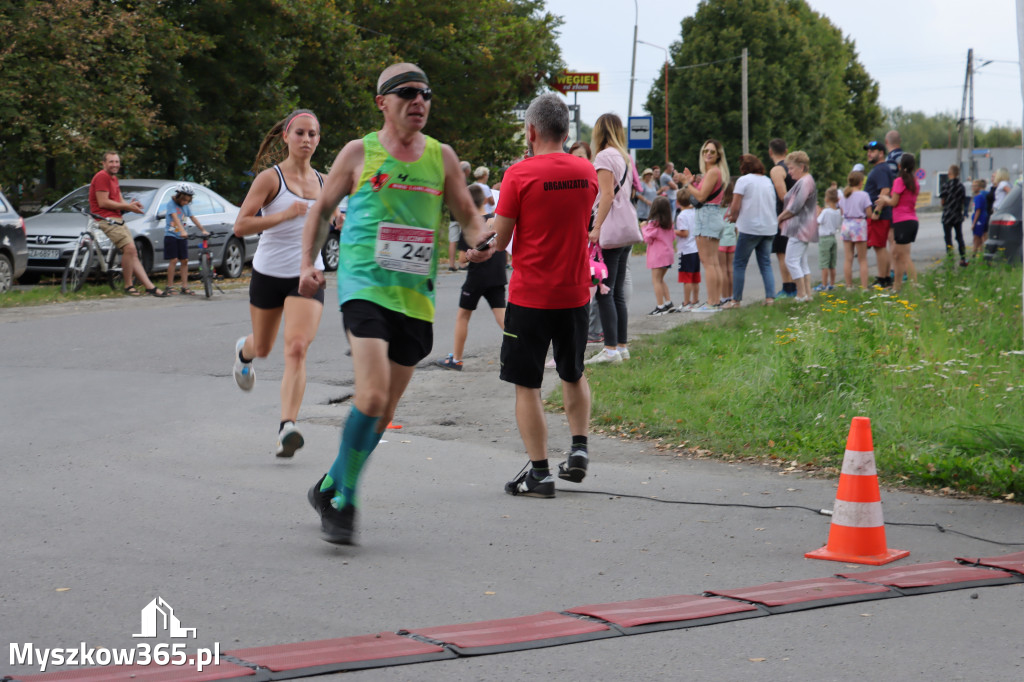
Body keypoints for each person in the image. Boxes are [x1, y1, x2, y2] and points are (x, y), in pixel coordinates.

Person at [298, 63, 488, 544]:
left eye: (426, 94)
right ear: (383, 102)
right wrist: (308, 262)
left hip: (414, 298)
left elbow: (468, 215)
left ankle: (327, 484)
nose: (419, 101)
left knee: (382, 411)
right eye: (407, 93)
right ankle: (345, 502)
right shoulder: (360, 152)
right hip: (364, 286)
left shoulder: (442, 157)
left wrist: (484, 239)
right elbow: (321, 209)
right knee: (373, 395)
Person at [487, 93, 597, 498]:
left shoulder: (518, 175)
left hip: (531, 296)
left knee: (527, 385)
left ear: (531, 131)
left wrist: (484, 240)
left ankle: (539, 472)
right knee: (573, 371)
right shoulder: (586, 172)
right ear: (567, 133)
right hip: (575, 294)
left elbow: (500, 242)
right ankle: (580, 448)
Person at [231, 109, 327, 460]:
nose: (306, 139)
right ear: (285, 136)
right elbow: (240, 227)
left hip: (308, 274)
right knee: (267, 346)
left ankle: (287, 427)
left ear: (318, 140)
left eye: (312, 134)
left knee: (298, 347)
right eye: (299, 133)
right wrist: (285, 214)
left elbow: (330, 223)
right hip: (269, 273)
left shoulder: (325, 181)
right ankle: (246, 351)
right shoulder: (270, 179)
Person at [586, 113, 640, 365]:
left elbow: (606, 194)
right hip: (625, 229)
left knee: (604, 291)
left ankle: (609, 350)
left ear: (600, 131)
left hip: (610, 229)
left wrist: (596, 227)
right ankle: (621, 346)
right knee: (616, 292)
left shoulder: (604, 156)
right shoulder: (624, 157)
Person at [436, 184, 506, 370]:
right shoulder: (495, 221)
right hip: (498, 275)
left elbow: (462, 259)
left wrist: (467, 256)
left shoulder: (470, 226)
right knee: (502, 316)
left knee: (463, 316)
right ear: (484, 200)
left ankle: (456, 359)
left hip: (477, 278)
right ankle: (523, 349)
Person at [88, 151, 167, 297]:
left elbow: (119, 201)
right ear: (104, 163)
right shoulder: (102, 176)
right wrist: (126, 207)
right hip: (105, 219)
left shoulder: (113, 178)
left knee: (132, 252)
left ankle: (149, 286)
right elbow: (103, 202)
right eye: (111, 162)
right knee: (130, 248)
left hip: (116, 219)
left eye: (117, 162)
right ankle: (128, 285)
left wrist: (131, 206)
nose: (115, 165)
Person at [676, 138, 730, 312]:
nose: (708, 154)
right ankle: (715, 301)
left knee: (709, 263)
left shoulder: (713, 172)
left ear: (718, 155)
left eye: (712, 151)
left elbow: (699, 197)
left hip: (706, 215)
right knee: (713, 262)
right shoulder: (716, 172)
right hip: (712, 215)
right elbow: (702, 193)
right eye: (706, 151)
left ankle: (712, 302)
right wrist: (691, 181)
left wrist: (687, 183)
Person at [724, 154, 776, 308]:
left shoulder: (743, 181)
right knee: (765, 263)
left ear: (744, 168)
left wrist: (733, 217)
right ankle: (770, 298)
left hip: (750, 228)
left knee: (739, 263)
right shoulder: (767, 181)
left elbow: (736, 204)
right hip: (769, 227)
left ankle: (736, 300)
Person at [874, 152, 919, 292]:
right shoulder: (914, 182)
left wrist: (884, 199)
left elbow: (894, 201)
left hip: (902, 221)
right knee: (896, 255)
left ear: (900, 165)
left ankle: (914, 288)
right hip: (911, 220)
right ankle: (896, 287)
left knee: (904, 256)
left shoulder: (899, 181)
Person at [777, 151, 817, 302]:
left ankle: (800, 294)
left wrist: (779, 218)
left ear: (802, 167)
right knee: (801, 261)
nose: (789, 172)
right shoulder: (806, 181)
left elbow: (796, 206)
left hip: (800, 227)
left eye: (791, 168)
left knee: (791, 260)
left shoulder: (805, 182)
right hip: (803, 227)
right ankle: (807, 294)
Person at [163, 183, 209, 295]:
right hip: (171, 235)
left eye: (188, 200)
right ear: (179, 196)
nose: (185, 202)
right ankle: (169, 286)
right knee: (173, 260)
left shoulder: (186, 206)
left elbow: (192, 218)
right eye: (184, 200)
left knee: (185, 261)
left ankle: (184, 286)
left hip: (182, 237)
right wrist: (182, 230)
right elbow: (175, 218)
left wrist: (202, 229)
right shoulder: (171, 204)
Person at [863, 140, 895, 287]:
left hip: (880, 215)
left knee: (879, 247)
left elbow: (885, 191)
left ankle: (883, 279)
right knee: (879, 246)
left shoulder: (881, 169)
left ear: (881, 154)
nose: (869, 153)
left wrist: (876, 211)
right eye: (868, 151)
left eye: (873, 151)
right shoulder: (879, 168)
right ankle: (886, 277)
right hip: (880, 214)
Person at [768, 139, 796, 298]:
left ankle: (788, 288)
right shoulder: (793, 168)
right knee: (792, 253)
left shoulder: (777, 170)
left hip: (784, 216)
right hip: (796, 215)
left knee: (783, 253)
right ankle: (795, 286)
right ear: (786, 151)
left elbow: (783, 196)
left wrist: (784, 216)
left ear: (770, 152)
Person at [642, 196, 676, 314]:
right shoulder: (669, 224)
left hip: (658, 256)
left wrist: (643, 227)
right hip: (668, 254)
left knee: (656, 280)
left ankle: (660, 306)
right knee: (661, 279)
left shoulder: (654, 224)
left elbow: (647, 239)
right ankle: (668, 303)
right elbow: (673, 237)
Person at [839, 170, 872, 288]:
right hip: (859, 225)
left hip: (846, 224)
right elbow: (869, 213)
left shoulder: (844, 195)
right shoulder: (864, 195)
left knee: (848, 258)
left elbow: (842, 212)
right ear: (860, 182)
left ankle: (849, 286)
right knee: (862, 259)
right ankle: (864, 287)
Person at [674, 190, 700, 310]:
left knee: (687, 278)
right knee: (695, 276)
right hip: (695, 248)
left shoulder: (681, 216)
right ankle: (695, 300)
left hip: (686, 249)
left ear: (678, 202)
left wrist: (673, 231)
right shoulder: (694, 212)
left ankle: (686, 302)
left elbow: (684, 233)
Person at [939, 164, 968, 266]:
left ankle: (950, 258)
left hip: (947, 215)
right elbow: (964, 200)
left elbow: (942, 201)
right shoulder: (961, 186)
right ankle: (963, 258)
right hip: (957, 215)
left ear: (949, 173)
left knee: (948, 238)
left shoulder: (946, 185)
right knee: (959, 237)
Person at [448, 159, 473, 271]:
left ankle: (451, 264)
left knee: (452, 241)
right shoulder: (466, 184)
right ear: (467, 171)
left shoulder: (451, 182)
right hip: (463, 216)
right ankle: (463, 263)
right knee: (464, 240)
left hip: (452, 215)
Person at [815, 187, 841, 292]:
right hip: (833, 238)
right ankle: (832, 284)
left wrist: (818, 212)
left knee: (824, 263)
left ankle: (824, 284)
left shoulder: (825, 212)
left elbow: (817, 221)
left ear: (826, 199)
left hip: (824, 238)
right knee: (832, 264)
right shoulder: (838, 212)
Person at [718, 180, 737, 303]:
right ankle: (731, 295)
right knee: (731, 269)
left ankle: (724, 296)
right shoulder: (735, 206)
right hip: (732, 240)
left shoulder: (720, 206)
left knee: (723, 270)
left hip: (721, 241)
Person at [971, 179, 989, 258]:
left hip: (979, 220)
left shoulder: (978, 197)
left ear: (979, 187)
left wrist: (974, 223)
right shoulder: (977, 197)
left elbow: (978, 210)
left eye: (975, 186)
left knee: (976, 238)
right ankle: (982, 255)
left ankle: (973, 256)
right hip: (981, 218)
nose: (973, 188)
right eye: (973, 186)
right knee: (981, 238)